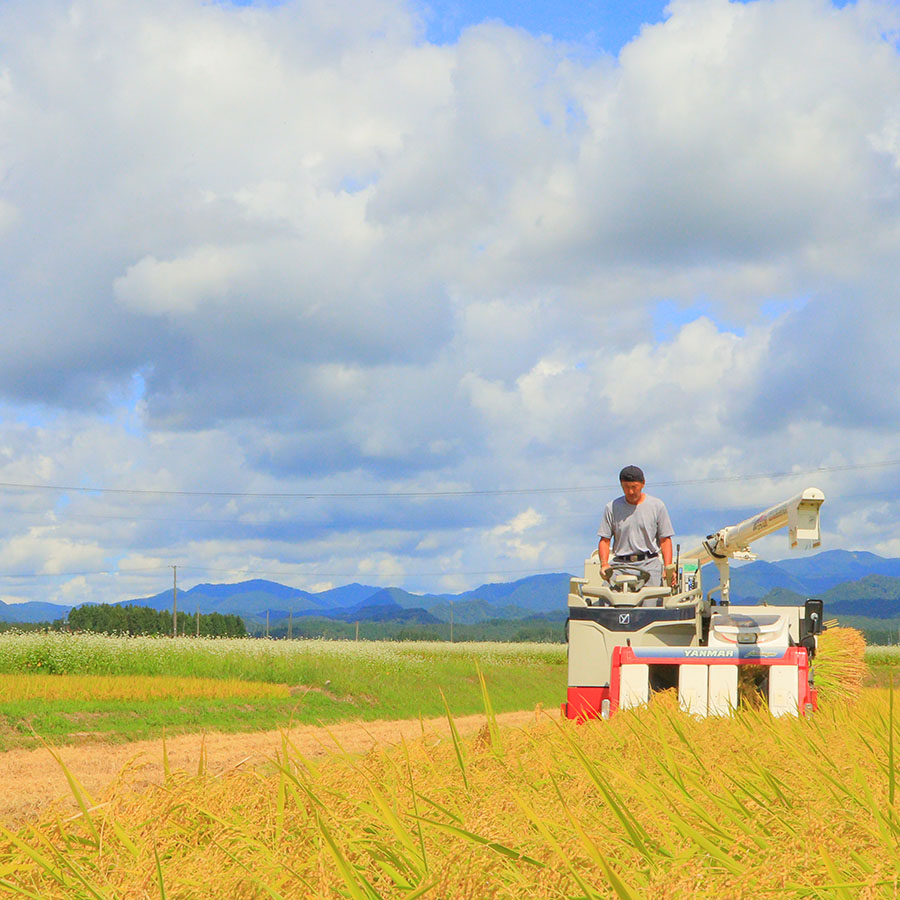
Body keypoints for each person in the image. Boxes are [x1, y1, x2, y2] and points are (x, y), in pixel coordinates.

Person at [598, 465, 676, 587]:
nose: (630, 492)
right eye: (626, 487)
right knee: (606, 596)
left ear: (643, 484)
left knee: (652, 601)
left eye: (634, 487)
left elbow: (665, 539)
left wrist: (668, 567)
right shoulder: (612, 508)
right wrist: (604, 564)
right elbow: (605, 540)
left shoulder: (657, 506)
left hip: (649, 565)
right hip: (620, 565)